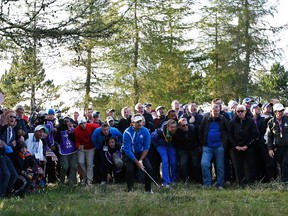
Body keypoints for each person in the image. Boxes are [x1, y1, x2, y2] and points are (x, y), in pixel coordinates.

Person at [199, 104, 229, 189]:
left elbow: (228, 131)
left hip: (219, 146)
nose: (216, 113)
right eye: (214, 111)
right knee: (204, 164)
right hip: (207, 147)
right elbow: (200, 131)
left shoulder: (223, 119)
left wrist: (224, 142)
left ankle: (220, 184)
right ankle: (207, 183)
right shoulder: (205, 119)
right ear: (210, 111)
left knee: (220, 166)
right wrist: (202, 143)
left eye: (218, 111)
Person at [122, 114, 153, 193]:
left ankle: (148, 189)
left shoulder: (145, 131)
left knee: (149, 168)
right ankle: (130, 189)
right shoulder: (127, 132)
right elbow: (127, 150)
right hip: (129, 154)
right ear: (132, 123)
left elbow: (146, 147)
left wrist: (141, 161)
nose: (139, 123)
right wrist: (137, 162)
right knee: (130, 170)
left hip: (141, 153)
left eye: (140, 121)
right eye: (137, 122)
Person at [228, 105, 258, 186]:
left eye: (242, 111)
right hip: (236, 147)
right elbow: (229, 136)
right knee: (238, 166)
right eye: (238, 111)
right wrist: (235, 146)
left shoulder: (250, 121)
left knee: (250, 165)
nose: (240, 113)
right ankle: (241, 183)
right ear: (236, 112)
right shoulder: (232, 122)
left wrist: (247, 145)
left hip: (248, 146)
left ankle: (251, 183)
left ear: (245, 111)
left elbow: (254, 134)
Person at [151, 119, 178, 188]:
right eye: (172, 127)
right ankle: (166, 182)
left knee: (173, 161)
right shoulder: (160, 132)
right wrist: (159, 143)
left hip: (170, 144)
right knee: (165, 161)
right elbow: (152, 137)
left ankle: (174, 180)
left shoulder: (177, 130)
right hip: (160, 144)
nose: (173, 129)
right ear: (168, 127)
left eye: (175, 127)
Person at [173, 118, 201, 183]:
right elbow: (175, 143)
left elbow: (198, 137)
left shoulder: (193, 129)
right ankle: (184, 180)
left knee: (195, 164)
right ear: (179, 126)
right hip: (183, 150)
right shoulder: (177, 133)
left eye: (186, 125)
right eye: (183, 125)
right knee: (183, 164)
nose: (186, 126)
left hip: (193, 148)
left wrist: (198, 146)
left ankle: (198, 180)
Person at [74, 116, 99, 186]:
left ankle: (89, 181)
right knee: (80, 162)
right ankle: (84, 178)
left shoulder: (91, 126)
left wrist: (96, 139)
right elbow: (76, 141)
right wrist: (78, 145)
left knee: (89, 164)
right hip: (82, 148)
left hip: (91, 147)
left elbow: (99, 127)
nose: (83, 125)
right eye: (81, 124)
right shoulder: (76, 130)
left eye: (84, 123)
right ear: (79, 124)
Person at [267, 103, 288, 182]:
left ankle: (285, 181)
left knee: (285, 163)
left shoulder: (287, 119)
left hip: (287, 146)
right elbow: (270, 136)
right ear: (275, 112)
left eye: (282, 110)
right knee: (281, 164)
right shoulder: (271, 122)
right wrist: (270, 148)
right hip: (278, 147)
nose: (281, 112)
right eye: (279, 111)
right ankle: (283, 180)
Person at [54, 117, 78, 186]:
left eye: (68, 121)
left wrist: (70, 133)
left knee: (73, 167)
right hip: (63, 151)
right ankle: (61, 181)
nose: (67, 123)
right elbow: (56, 140)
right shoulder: (60, 130)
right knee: (65, 167)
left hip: (73, 151)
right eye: (65, 122)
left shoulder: (73, 129)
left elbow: (75, 139)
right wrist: (58, 129)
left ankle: (72, 182)